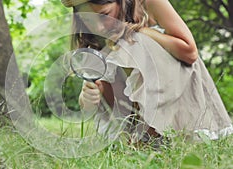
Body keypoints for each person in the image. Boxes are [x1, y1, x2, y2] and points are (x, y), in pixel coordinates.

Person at [61, 0, 233, 144]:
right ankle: (135, 133)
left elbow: (190, 52)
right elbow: (95, 96)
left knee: (132, 42)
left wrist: (138, 30)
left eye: (105, 14)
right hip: (129, 107)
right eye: (90, 19)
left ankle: (151, 134)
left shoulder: (150, 2)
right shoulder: (97, 30)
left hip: (177, 83)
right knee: (113, 53)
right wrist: (88, 97)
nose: (98, 26)